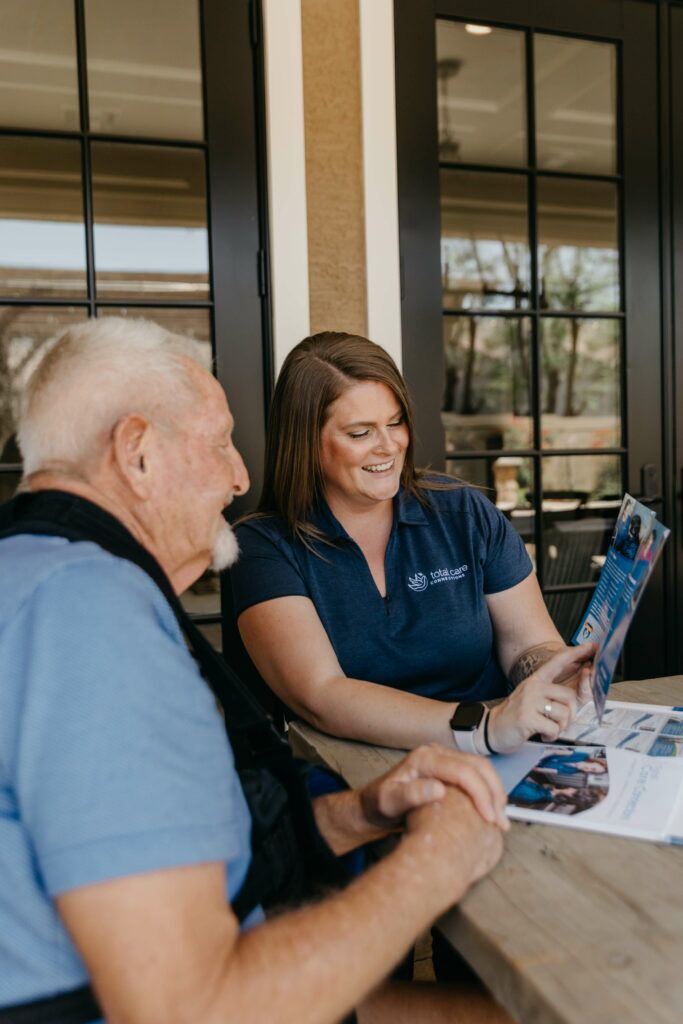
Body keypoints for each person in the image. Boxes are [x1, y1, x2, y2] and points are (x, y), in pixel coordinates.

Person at [0, 316, 515, 1024]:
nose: (240, 477)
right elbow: (185, 1006)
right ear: (138, 453)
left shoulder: (41, 573)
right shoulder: (83, 611)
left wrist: (363, 810)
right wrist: (441, 859)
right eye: (219, 444)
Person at [231, 332, 594, 755]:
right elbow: (322, 695)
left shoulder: (465, 515)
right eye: (360, 432)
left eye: (395, 422)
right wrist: (482, 727)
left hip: (499, 753)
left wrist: (558, 673)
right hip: (355, 773)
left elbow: (528, 646)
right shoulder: (262, 547)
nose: (389, 446)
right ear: (305, 441)